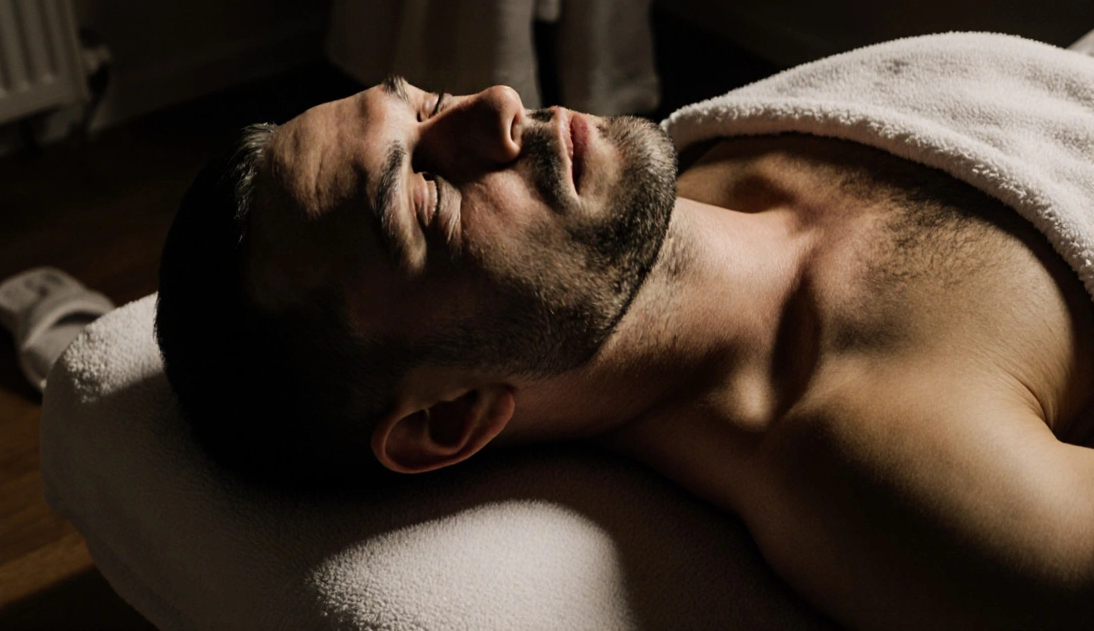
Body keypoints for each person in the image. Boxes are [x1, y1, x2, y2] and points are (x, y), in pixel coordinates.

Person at [154, 35, 1094, 629]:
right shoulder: (875, 461)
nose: (498, 106)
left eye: (428, 104)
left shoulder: (726, 144)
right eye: (424, 196)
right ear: (450, 417)